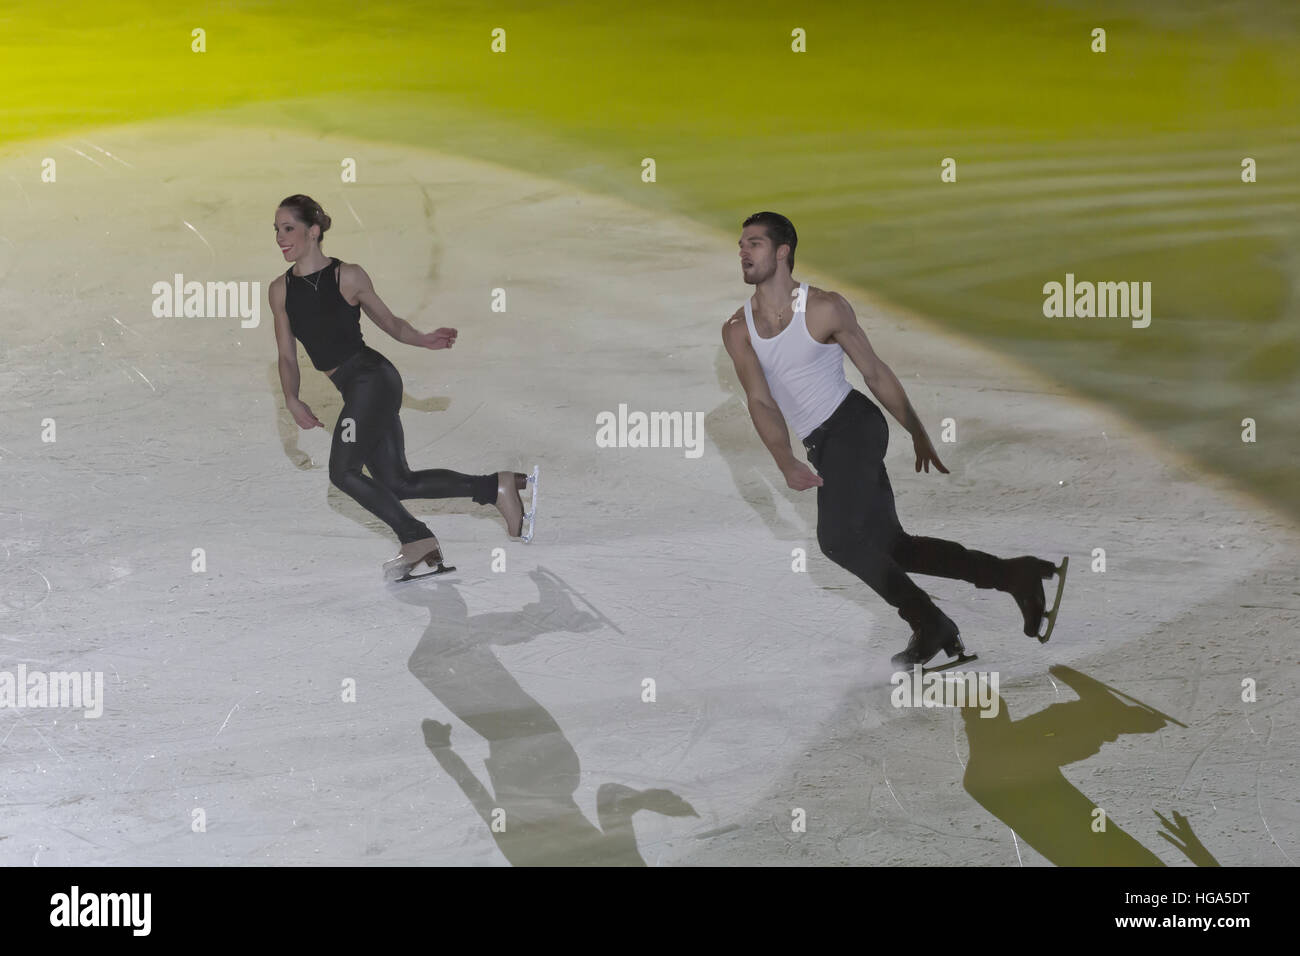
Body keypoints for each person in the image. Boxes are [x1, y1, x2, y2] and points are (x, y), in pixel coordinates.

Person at [722, 211, 1063, 668]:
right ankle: (1014, 575)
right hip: (820, 444)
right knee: (893, 547)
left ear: (783, 252)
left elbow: (875, 372)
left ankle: (930, 624)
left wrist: (917, 432)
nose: (743, 251)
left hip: (854, 425)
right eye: (741, 244)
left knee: (838, 541)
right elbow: (760, 401)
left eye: (754, 243)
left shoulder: (824, 307)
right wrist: (785, 460)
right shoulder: (738, 329)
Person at [268, 194, 530, 580]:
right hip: (355, 387)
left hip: (372, 379)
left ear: (314, 230)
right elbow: (287, 357)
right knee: (397, 482)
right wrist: (291, 398)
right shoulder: (281, 290)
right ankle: (496, 488)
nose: (280, 238)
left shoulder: (348, 276)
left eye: (288, 228)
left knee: (343, 473)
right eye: (276, 230)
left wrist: (424, 339)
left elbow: (391, 324)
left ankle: (417, 540)